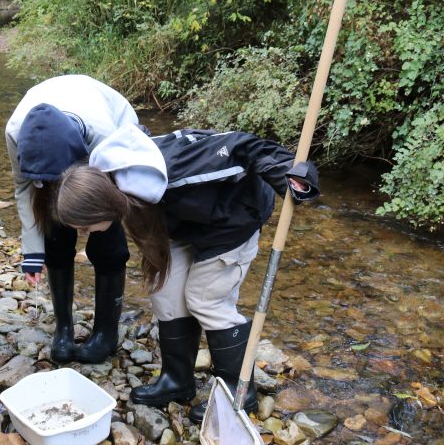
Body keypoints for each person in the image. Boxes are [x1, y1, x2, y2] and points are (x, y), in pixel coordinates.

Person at [56, 125, 319, 423]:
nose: (82, 233)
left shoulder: (183, 167)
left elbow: (245, 146)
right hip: (183, 220)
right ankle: (177, 381)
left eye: (84, 226)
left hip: (233, 219)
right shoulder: (107, 176)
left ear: (99, 207)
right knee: (165, 291)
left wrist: (289, 173)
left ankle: (238, 391)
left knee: (205, 299)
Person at [4, 74, 139, 364]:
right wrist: (32, 250)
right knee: (54, 235)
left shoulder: (106, 134)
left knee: (108, 245)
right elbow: (24, 187)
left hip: (105, 143)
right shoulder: (15, 133)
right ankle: (63, 328)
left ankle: (106, 333)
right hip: (53, 140)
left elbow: (126, 187)